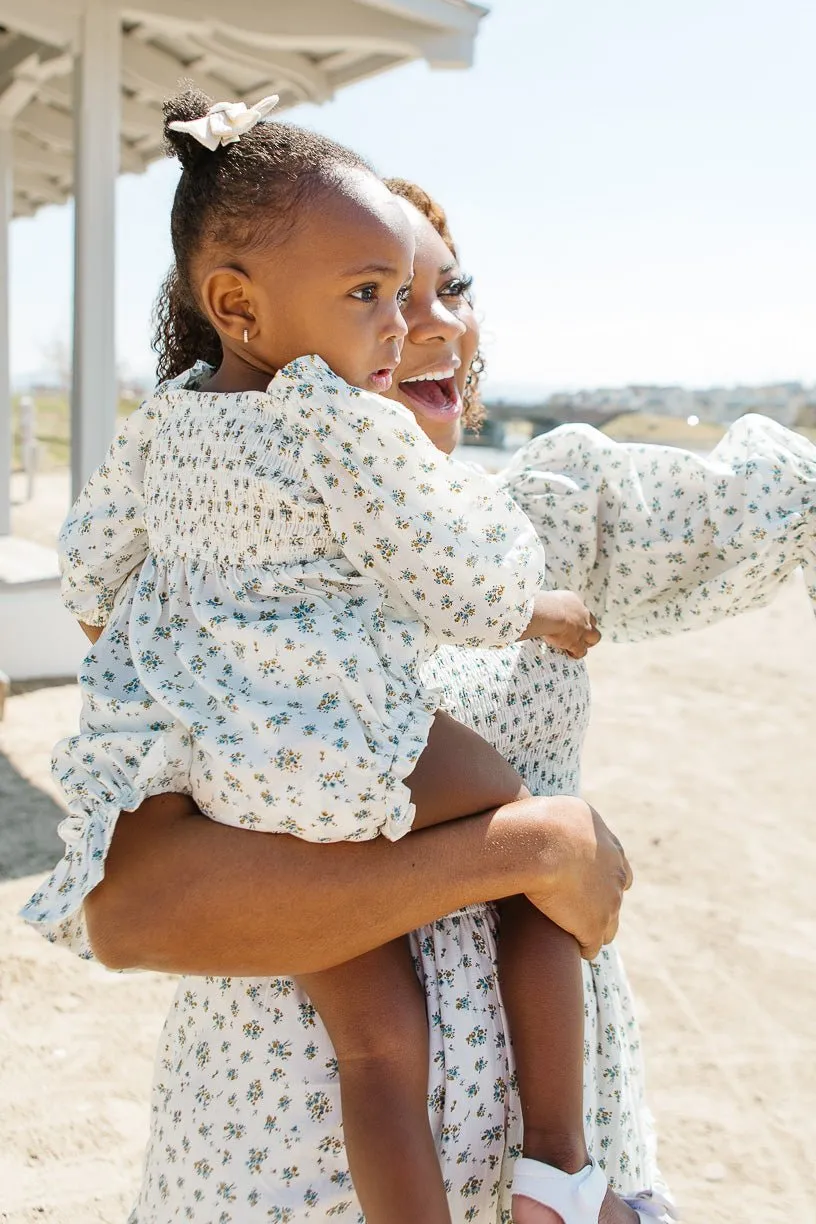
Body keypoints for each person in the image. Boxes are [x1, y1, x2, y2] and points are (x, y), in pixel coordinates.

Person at [23, 172, 815, 1222]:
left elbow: (779, 499)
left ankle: (562, 1168)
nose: (424, 325)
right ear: (258, 312)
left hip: (579, 1190)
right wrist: (531, 847)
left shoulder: (546, 512)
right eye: (377, 293)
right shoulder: (195, 574)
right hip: (272, 1182)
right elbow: (131, 912)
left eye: (449, 289)